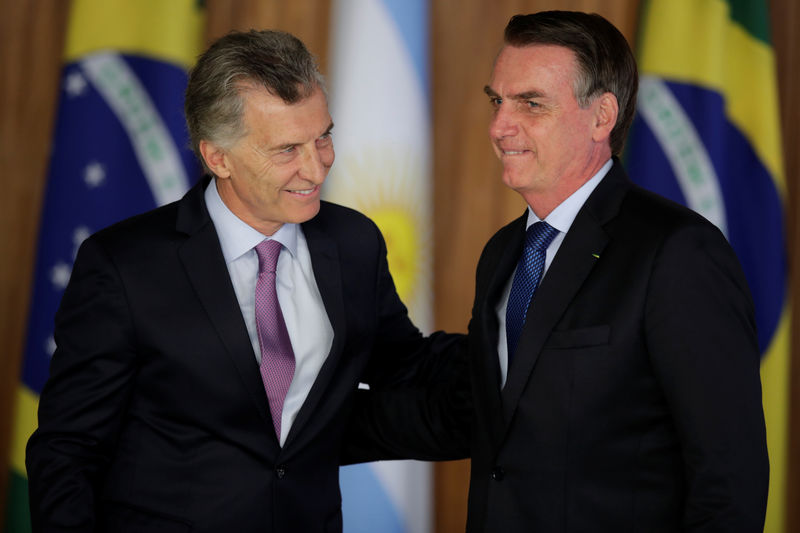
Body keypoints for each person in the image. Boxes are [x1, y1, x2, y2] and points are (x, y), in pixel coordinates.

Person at [347, 10, 769, 533]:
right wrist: (283, 430)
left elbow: (728, 481)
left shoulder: (678, 252)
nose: (500, 126)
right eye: (497, 101)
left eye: (531, 103)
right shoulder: (504, 252)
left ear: (601, 117)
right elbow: (489, 415)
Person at [25, 29, 463, 533]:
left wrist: (519, 347)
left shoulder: (353, 241)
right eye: (286, 149)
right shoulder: (124, 265)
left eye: (323, 136)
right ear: (218, 158)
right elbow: (68, 449)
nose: (316, 167)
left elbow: (403, 363)